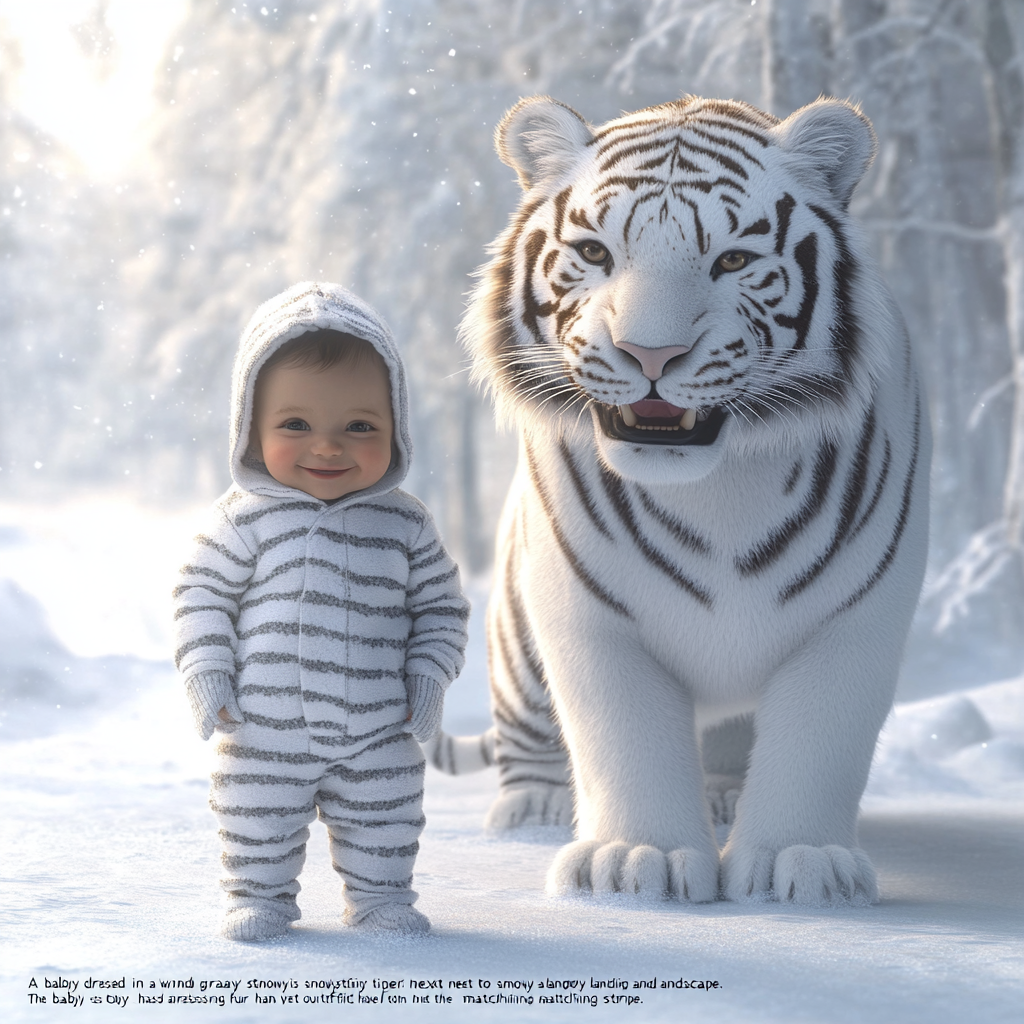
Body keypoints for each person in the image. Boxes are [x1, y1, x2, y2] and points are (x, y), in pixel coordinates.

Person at [173, 282, 469, 941]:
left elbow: (442, 610)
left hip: (377, 728)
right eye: (295, 425)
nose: (328, 447)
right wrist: (207, 674)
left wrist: (427, 679)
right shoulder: (242, 519)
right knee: (256, 816)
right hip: (261, 727)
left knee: (386, 817)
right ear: (251, 428)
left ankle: (379, 898)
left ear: (398, 429)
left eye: (359, 427)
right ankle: (260, 897)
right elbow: (201, 596)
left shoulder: (406, 526)